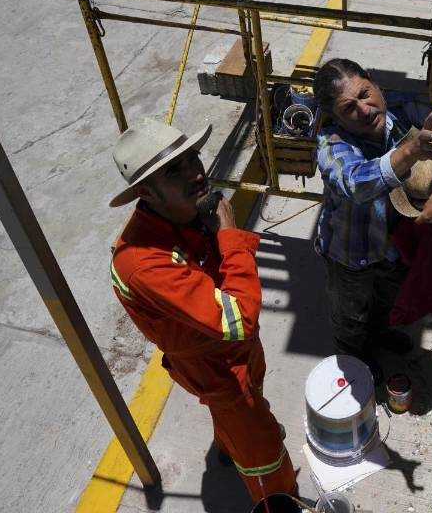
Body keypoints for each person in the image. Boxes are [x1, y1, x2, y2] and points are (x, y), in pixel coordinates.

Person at [107, 118, 295, 503]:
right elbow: (240, 319)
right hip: (214, 364)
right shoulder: (144, 263)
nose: (195, 172)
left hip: (231, 349)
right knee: (263, 453)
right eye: (174, 170)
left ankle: (229, 444)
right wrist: (229, 235)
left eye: (193, 157)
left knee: (243, 404)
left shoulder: (184, 212)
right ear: (145, 191)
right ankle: (276, 496)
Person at [312, 58, 432, 381]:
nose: (365, 110)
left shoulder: (406, 107)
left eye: (364, 94)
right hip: (350, 258)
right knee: (350, 318)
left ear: (373, 81)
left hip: (397, 249)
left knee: (386, 304)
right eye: (349, 108)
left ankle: (379, 335)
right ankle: (355, 359)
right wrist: (408, 152)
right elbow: (356, 183)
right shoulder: (331, 144)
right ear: (334, 118)